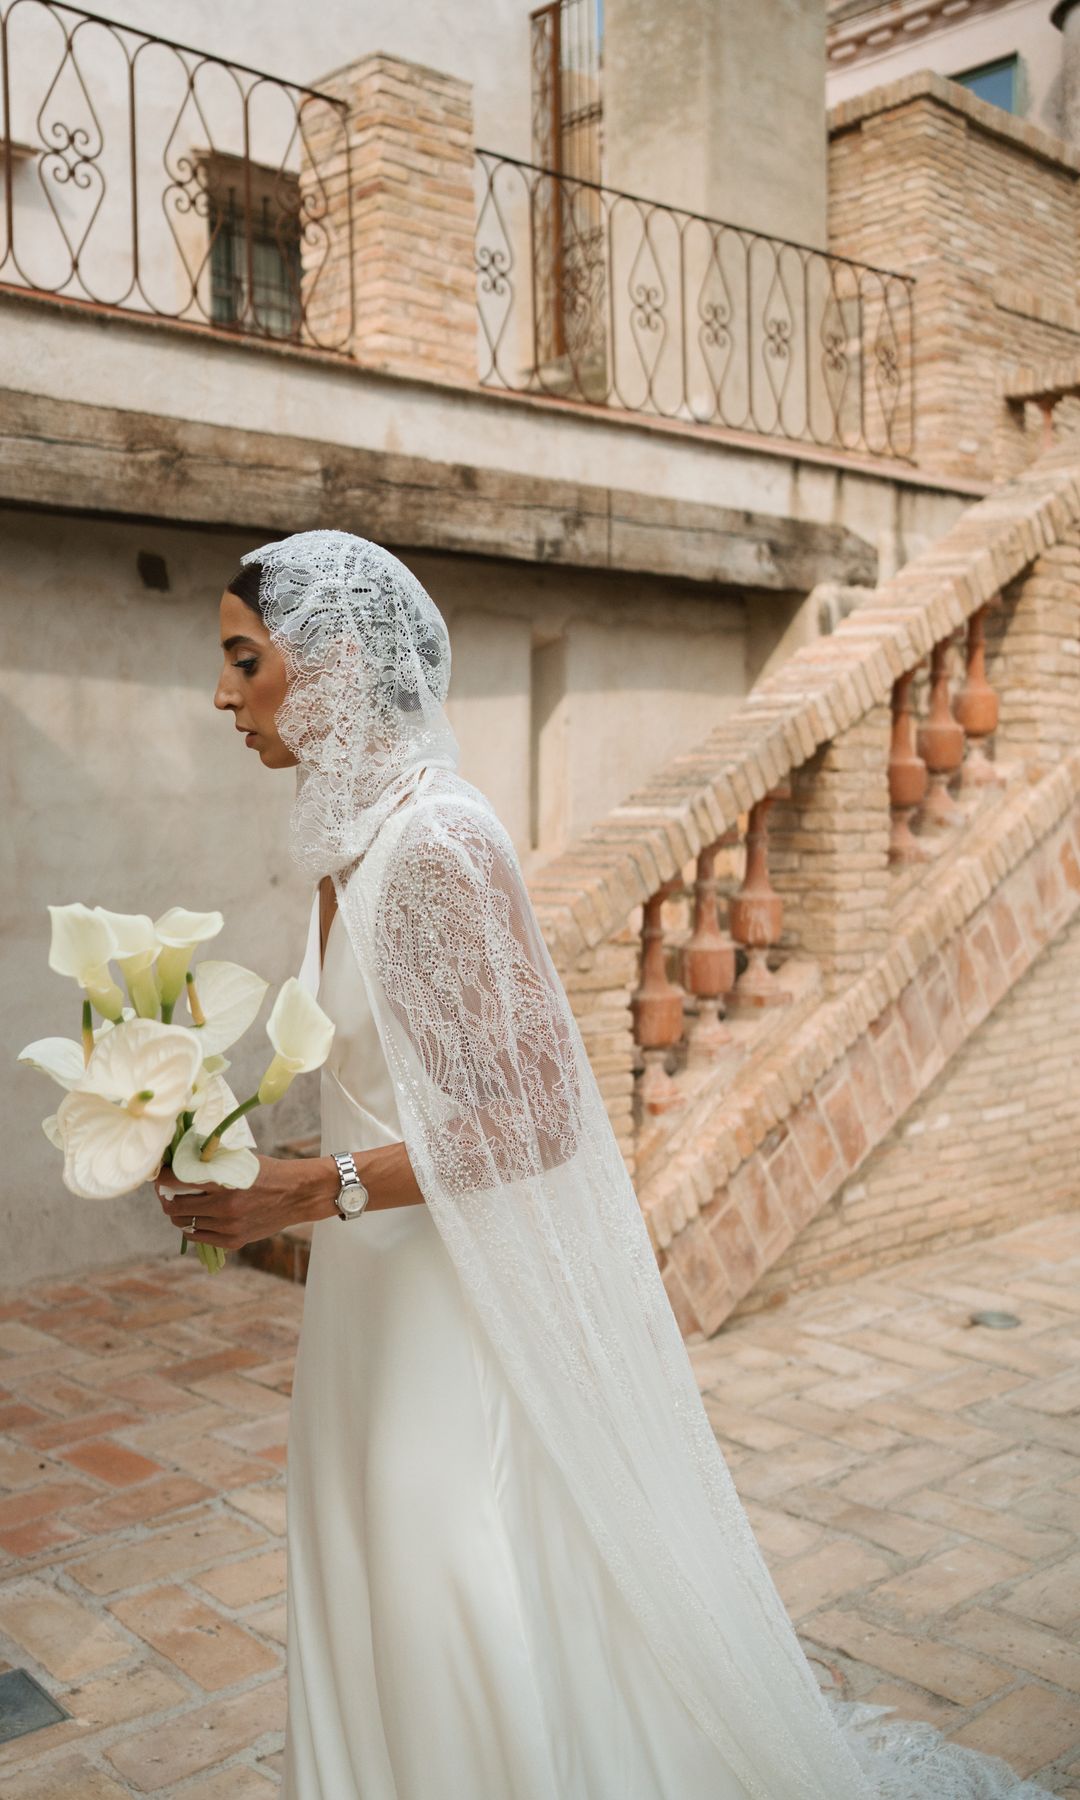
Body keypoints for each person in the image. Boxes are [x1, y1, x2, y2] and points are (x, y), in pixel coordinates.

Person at [157, 531, 1053, 1800]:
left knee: (447, 1583)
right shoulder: (343, 847)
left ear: (339, 663)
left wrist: (310, 1192)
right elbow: (397, 1090)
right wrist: (229, 1156)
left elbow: (534, 1122)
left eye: (244, 658)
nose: (219, 693)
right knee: (367, 1568)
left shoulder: (439, 846)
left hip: (450, 1317)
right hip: (367, 1310)